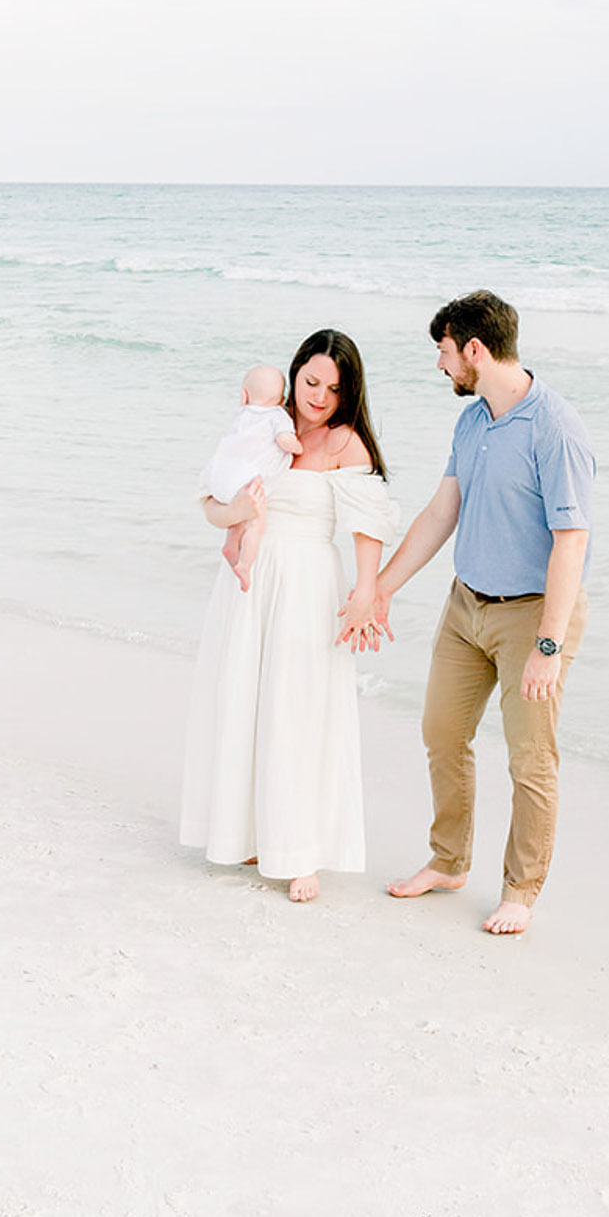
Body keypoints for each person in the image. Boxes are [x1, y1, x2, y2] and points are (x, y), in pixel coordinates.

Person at [373, 291, 594, 937]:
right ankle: (447, 861)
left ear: (473, 349)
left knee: (530, 759)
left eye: (443, 352)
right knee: (441, 733)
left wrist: (547, 648)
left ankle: (520, 891)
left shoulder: (554, 426)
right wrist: (379, 588)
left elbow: (570, 540)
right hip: (465, 606)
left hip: (532, 618)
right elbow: (441, 513)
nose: (440, 366)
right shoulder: (471, 423)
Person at [180, 330, 398, 904]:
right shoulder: (261, 426)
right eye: (311, 382)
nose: (320, 396)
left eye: (333, 387)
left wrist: (365, 593)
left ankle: (302, 850)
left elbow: (367, 526)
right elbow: (211, 497)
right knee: (246, 702)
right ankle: (249, 833)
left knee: (298, 709)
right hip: (250, 585)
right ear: (295, 372)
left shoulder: (347, 443)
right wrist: (238, 510)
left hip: (307, 585)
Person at [204, 364, 304, 588]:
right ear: (282, 399)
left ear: (244, 395)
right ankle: (245, 564)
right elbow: (284, 441)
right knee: (256, 523)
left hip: (221, 478)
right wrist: (298, 447)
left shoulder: (243, 412)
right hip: (248, 479)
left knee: (238, 511)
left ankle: (231, 545)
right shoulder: (278, 415)